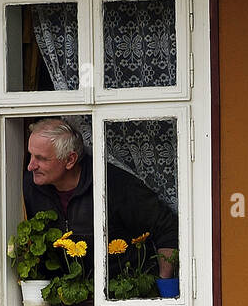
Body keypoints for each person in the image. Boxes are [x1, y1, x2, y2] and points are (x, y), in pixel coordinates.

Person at [23, 117, 178, 280]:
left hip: (123, 293)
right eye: (31, 155)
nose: (31, 166)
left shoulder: (113, 185)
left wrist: (163, 284)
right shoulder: (30, 187)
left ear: (70, 160)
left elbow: (167, 228)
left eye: (41, 158)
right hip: (62, 296)